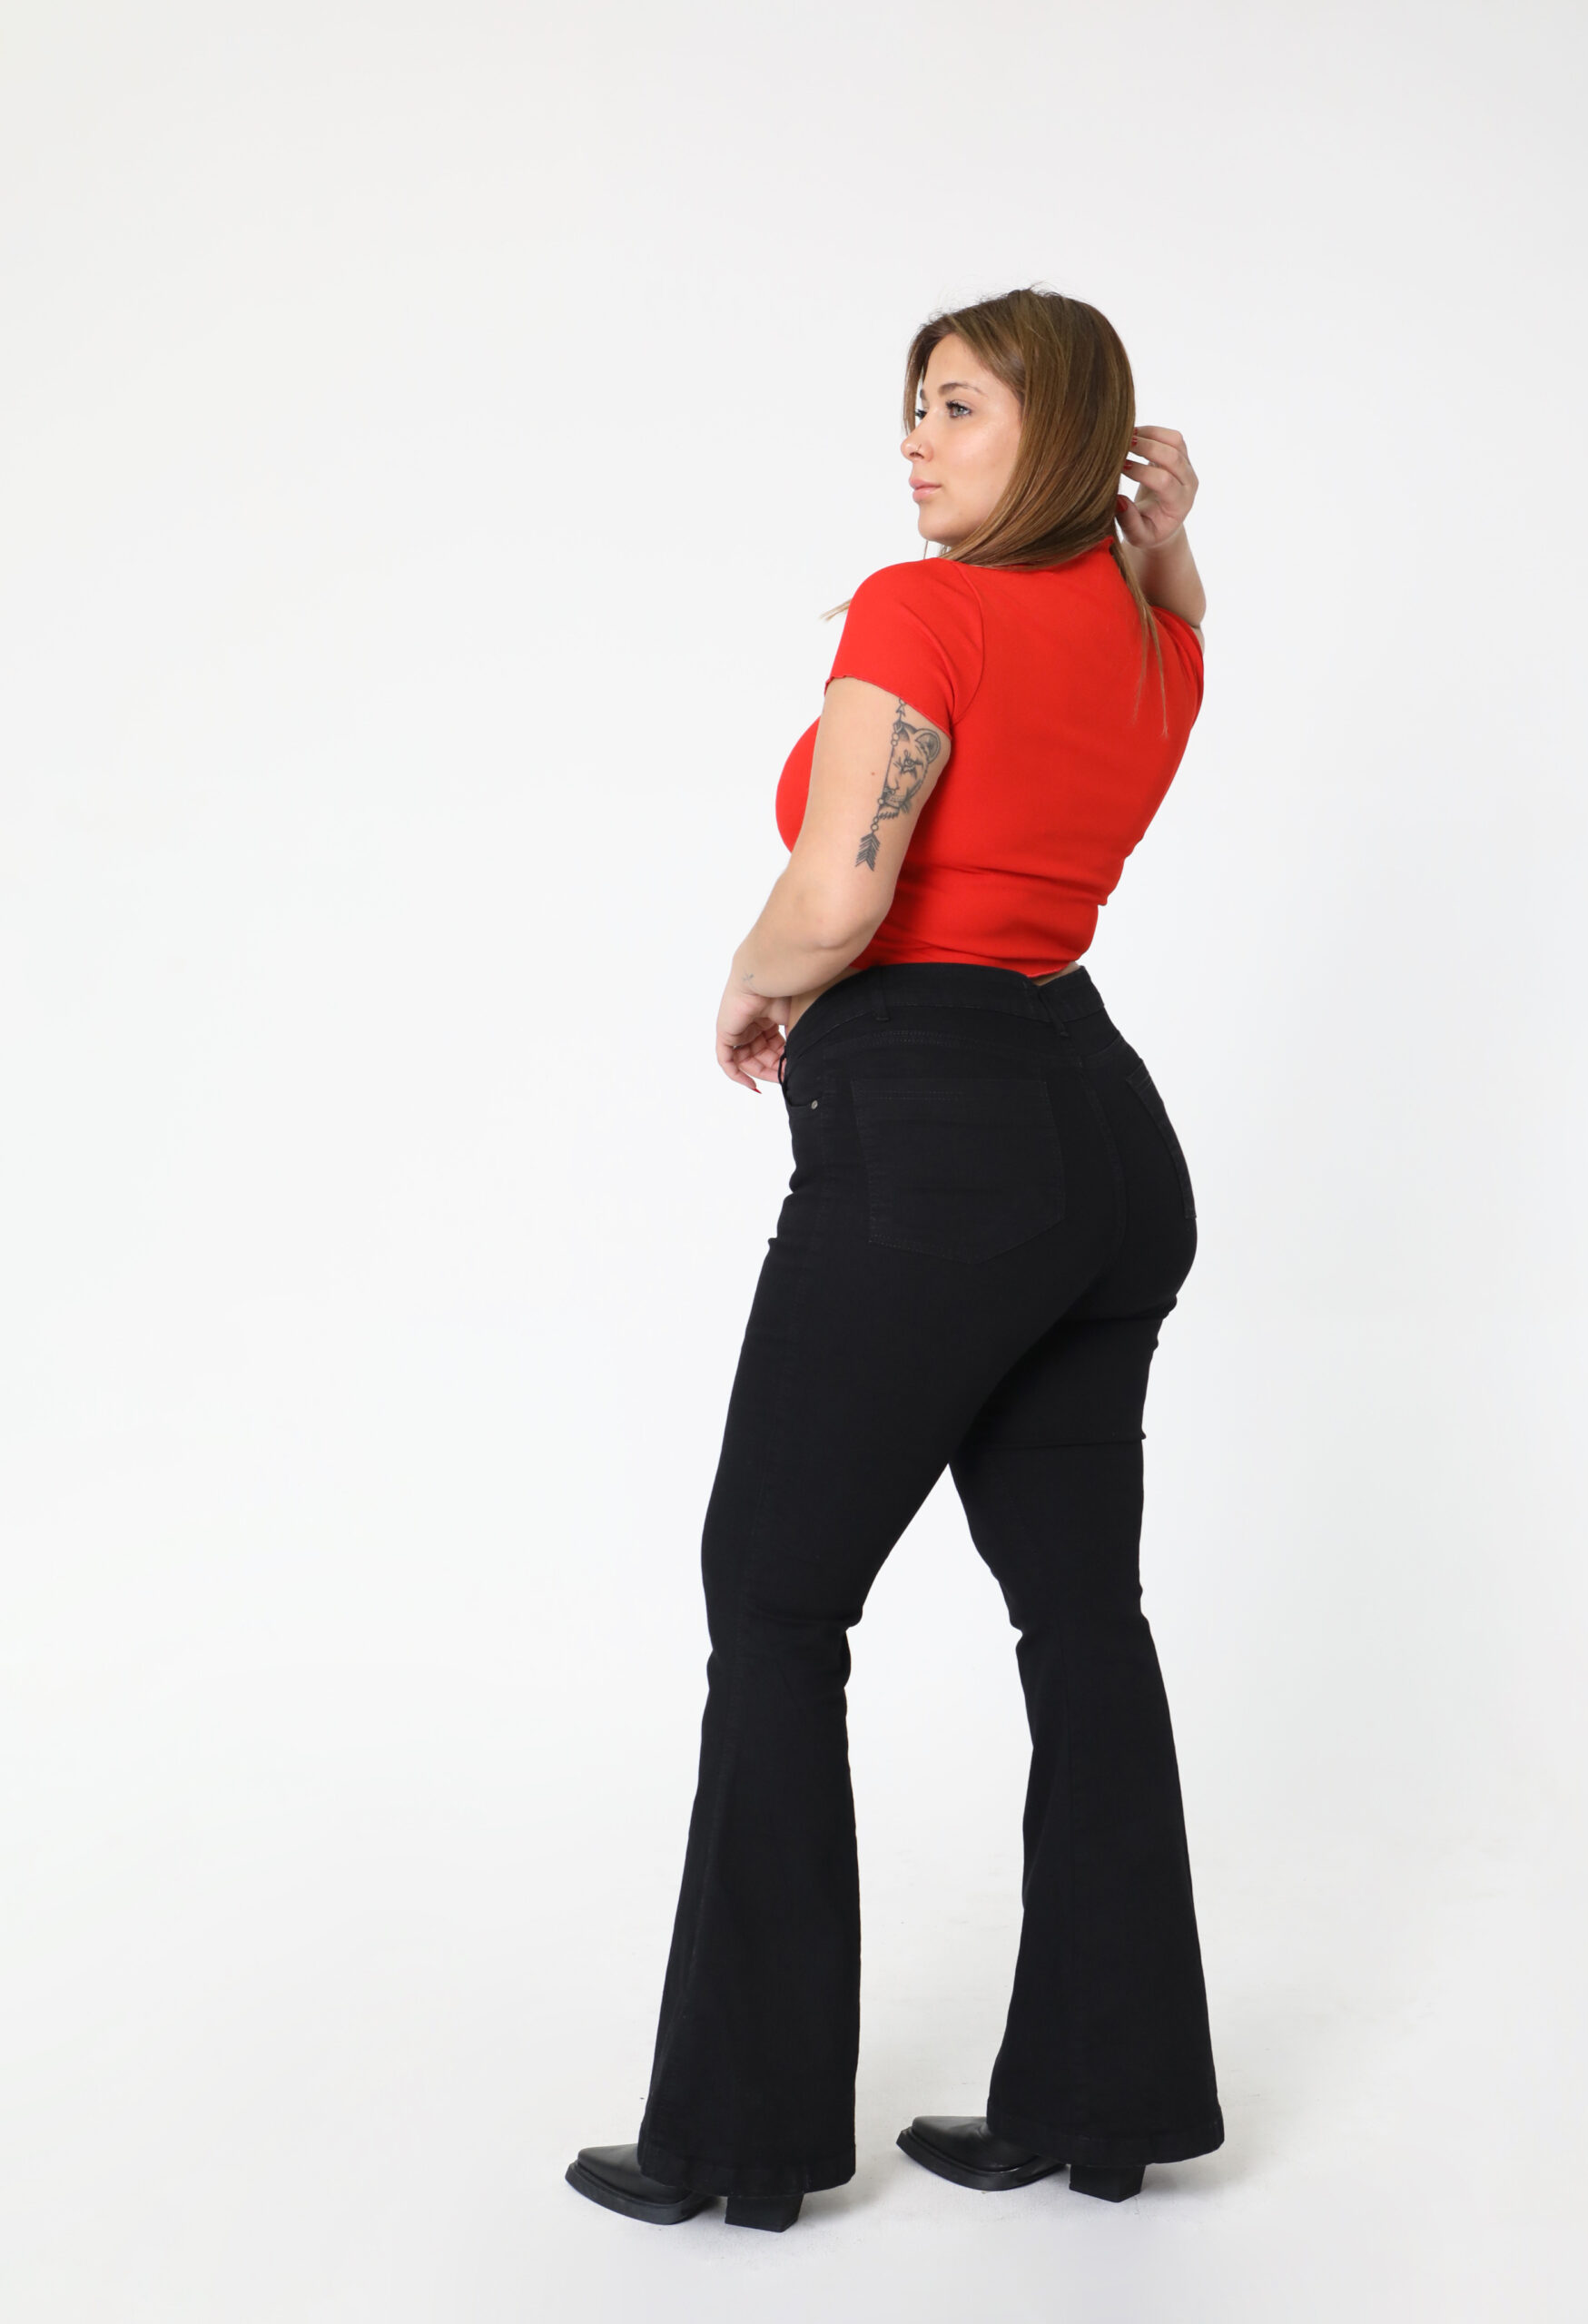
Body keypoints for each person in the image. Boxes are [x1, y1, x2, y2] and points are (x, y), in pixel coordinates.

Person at [566, 287, 1222, 2233]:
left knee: (774, 1601)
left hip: (933, 1137)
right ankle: (1103, 2098)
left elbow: (842, 888)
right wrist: (1166, 543)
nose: (915, 440)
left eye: (957, 406)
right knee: (1081, 1613)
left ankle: (740, 2142)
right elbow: (1163, 629)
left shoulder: (921, 610)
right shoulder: (1151, 634)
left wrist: (750, 976)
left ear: (1062, 430)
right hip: (1102, 1139)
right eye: (911, 407)